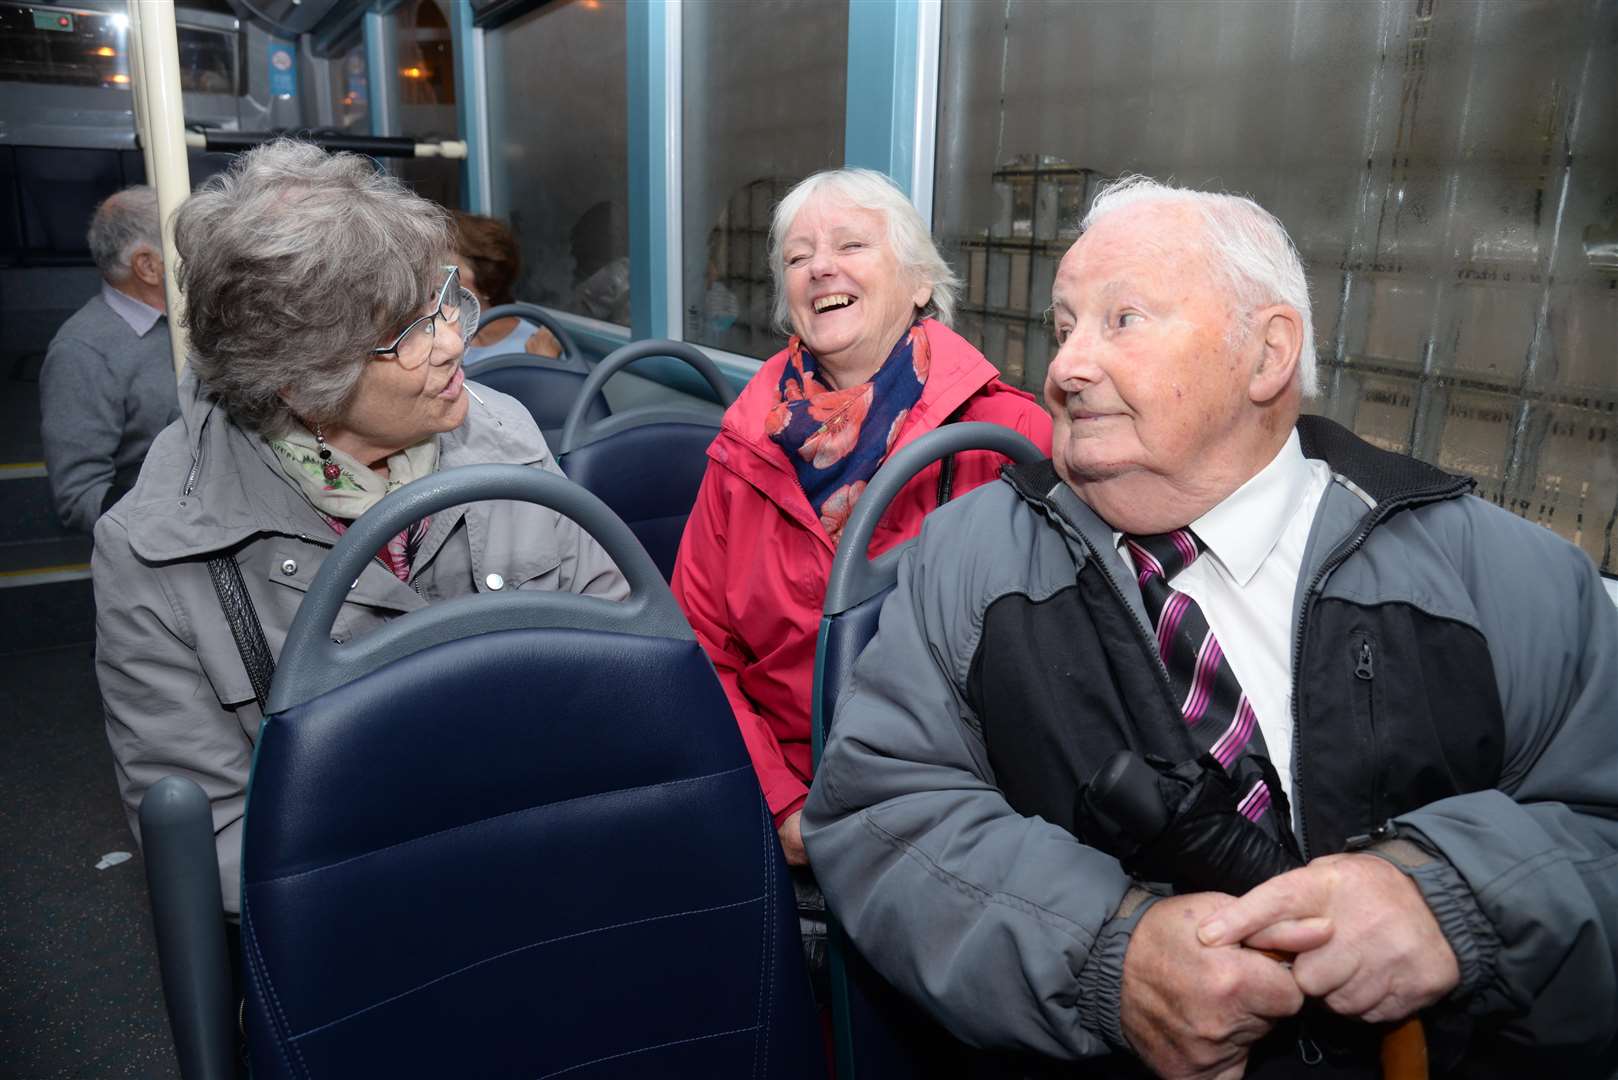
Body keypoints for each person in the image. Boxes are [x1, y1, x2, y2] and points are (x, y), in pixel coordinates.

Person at [803, 177, 1618, 1078]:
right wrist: (1109, 957)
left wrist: (1457, 900)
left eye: (1123, 320)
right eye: (1064, 326)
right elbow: (880, 813)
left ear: (1267, 353)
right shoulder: (964, 563)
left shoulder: (1498, 575)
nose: (1067, 367)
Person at [95, 141, 628, 917]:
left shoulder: (504, 431)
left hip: (560, 860)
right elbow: (214, 835)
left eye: (443, 298)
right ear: (299, 379)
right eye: (408, 332)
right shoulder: (158, 548)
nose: (453, 341)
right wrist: (458, 880)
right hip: (362, 919)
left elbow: (620, 659)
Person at [671, 167, 1052, 874]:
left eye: (851, 245)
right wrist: (782, 804)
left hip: (968, 812)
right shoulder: (741, 448)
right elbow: (698, 645)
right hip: (789, 798)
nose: (820, 268)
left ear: (918, 283)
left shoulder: (1011, 436)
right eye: (797, 256)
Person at [40, 185, 180, 532]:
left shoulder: (191, 317)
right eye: (187, 248)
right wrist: (175, 520)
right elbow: (80, 495)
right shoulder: (82, 351)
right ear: (147, 266)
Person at [448, 210, 564, 364]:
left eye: (448, 267)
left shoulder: (538, 346)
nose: (434, 278)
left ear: (486, 282)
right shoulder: (439, 340)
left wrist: (545, 366)